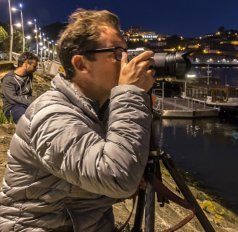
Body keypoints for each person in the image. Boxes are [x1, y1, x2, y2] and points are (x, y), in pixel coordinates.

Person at [0, 8, 155, 232]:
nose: (127, 62)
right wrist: (130, 94)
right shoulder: (52, 115)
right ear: (81, 64)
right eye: (117, 53)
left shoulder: (99, 108)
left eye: (126, 52)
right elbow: (117, 177)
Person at [1, 51, 39, 123]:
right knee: (28, 119)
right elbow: (13, 99)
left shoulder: (29, 75)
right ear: (26, 64)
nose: (36, 68)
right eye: (34, 66)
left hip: (26, 104)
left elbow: (28, 94)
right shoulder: (8, 79)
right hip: (11, 107)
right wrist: (32, 101)